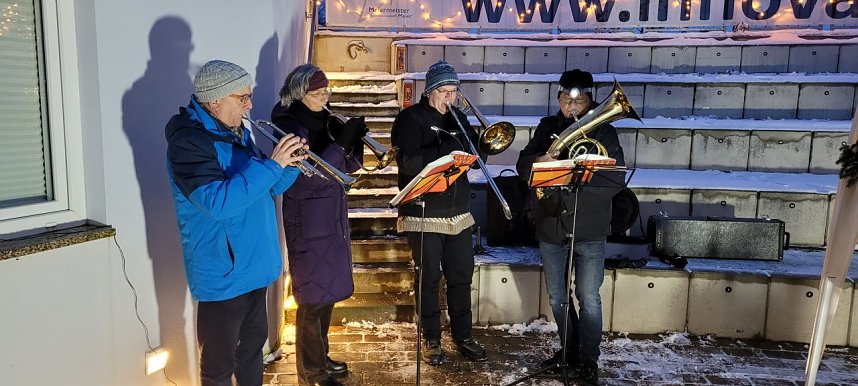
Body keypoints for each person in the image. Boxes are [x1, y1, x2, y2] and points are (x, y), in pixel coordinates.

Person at [165, 60, 307, 386]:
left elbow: (269, 189)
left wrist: (290, 165)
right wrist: (272, 165)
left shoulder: (237, 132)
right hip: (224, 273)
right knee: (218, 366)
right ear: (215, 101)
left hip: (255, 266)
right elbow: (217, 203)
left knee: (251, 354)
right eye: (242, 98)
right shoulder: (188, 142)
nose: (250, 105)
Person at [516, 69, 626, 386]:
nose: (572, 107)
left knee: (588, 296)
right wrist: (543, 156)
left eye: (578, 100)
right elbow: (524, 167)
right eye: (566, 100)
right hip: (552, 224)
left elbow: (614, 180)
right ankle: (569, 351)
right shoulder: (547, 128)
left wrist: (578, 181)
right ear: (558, 100)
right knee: (557, 297)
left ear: (590, 99)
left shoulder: (604, 132)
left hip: (589, 226)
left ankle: (588, 359)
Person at [270, 64, 365, 386]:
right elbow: (304, 182)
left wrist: (355, 145)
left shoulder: (323, 120)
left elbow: (344, 172)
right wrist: (340, 146)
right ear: (299, 93)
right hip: (307, 222)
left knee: (327, 297)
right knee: (311, 302)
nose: (325, 98)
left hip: (331, 217)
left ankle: (320, 357)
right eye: (319, 93)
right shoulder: (287, 125)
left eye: (327, 92)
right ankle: (312, 373)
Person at [390, 60, 488, 366]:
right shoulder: (409, 119)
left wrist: (481, 144)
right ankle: (431, 337)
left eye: (453, 92)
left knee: (461, 276)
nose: (449, 98)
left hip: (458, 211)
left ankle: (463, 336)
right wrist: (445, 148)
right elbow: (407, 162)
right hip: (424, 212)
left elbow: (473, 156)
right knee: (429, 278)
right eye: (444, 92)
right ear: (430, 91)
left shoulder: (458, 117)